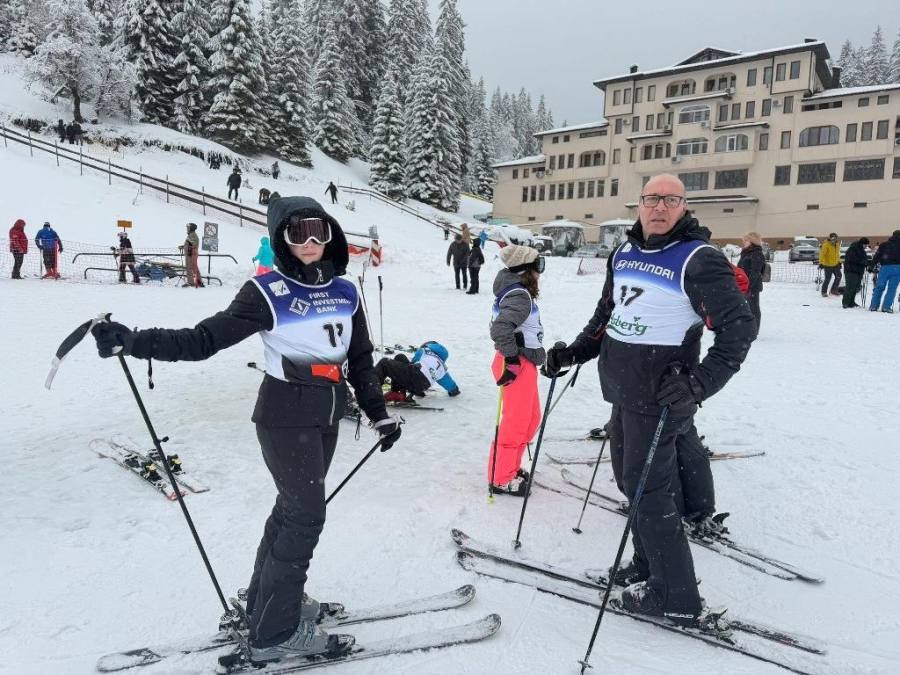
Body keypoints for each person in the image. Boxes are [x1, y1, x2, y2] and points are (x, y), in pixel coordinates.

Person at [90, 196, 401, 664]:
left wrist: (378, 413)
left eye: (319, 230)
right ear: (281, 239)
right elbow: (204, 339)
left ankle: (267, 603)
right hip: (285, 416)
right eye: (298, 233)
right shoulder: (267, 292)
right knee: (305, 518)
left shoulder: (346, 291)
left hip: (327, 417)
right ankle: (275, 633)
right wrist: (134, 341)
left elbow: (359, 357)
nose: (311, 242)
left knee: (291, 511)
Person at [543, 174, 755, 625]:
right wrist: (576, 351)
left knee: (648, 492)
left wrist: (699, 384)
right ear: (639, 204)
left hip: (660, 400)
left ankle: (676, 595)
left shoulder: (699, 259)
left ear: (683, 206)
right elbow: (608, 314)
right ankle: (647, 565)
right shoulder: (624, 251)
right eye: (652, 199)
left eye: (670, 200)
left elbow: (739, 329)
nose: (660, 207)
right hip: (623, 391)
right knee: (632, 485)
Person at [488, 244, 546, 496]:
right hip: (516, 364)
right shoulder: (519, 295)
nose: (540, 272)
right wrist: (511, 359)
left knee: (530, 419)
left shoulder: (517, 291)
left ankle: (510, 466)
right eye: (538, 266)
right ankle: (500, 477)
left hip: (523, 363)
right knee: (516, 423)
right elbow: (500, 329)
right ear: (525, 269)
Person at [375, 341, 460, 402]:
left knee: (384, 363)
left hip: (414, 375)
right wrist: (455, 390)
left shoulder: (425, 350)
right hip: (421, 387)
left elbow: (413, 363)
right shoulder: (442, 367)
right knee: (400, 357)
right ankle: (398, 393)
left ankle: (372, 391)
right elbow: (451, 386)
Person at [737, 232, 765, 330]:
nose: (743, 242)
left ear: (752, 241)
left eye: (746, 240)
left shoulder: (757, 253)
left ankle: (754, 329)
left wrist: (748, 286)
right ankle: (746, 327)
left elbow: (755, 272)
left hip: (752, 286)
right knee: (744, 308)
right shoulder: (746, 253)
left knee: (753, 308)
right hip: (743, 285)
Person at [868, 230, 900, 313]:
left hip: (884, 267)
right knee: (892, 289)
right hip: (897, 268)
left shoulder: (884, 244)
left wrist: (871, 265)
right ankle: (886, 307)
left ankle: (874, 306)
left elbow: (877, 256)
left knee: (879, 286)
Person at [842, 237, 870, 308]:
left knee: (855, 287)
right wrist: (863, 262)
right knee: (850, 287)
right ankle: (845, 302)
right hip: (851, 270)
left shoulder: (862, 251)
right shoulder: (852, 249)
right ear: (862, 243)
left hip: (859, 271)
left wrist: (867, 263)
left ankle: (851, 302)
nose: (866, 246)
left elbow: (863, 259)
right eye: (865, 245)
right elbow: (852, 259)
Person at [818, 232, 842, 297]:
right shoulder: (826, 244)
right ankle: (824, 292)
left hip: (836, 264)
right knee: (828, 279)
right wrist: (821, 263)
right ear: (830, 238)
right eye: (833, 238)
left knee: (839, 276)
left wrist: (839, 262)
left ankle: (834, 290)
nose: (834, 239)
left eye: (835, 238)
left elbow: (837, 254)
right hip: (828, 265)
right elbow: (822, 254)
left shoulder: (837, 244)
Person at [182, 223, 204, 288]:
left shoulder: (192, 235)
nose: (187, 228)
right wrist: (184, 246)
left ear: (191, 228)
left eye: (188, 227)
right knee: (195, 267)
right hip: (192, 253)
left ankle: (190, 282)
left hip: (190, 254)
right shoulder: (192, 235)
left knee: (189, 267)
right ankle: (199, 282)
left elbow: (192, 245)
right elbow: (190, 244)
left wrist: (188, 250)